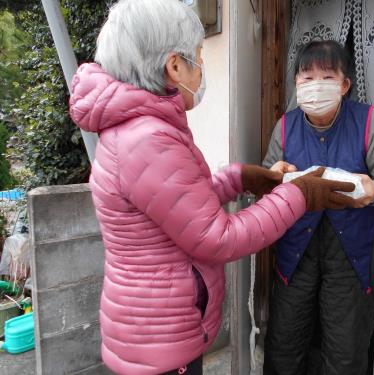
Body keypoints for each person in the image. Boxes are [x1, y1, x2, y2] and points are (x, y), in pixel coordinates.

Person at [69, 2, 357, 374]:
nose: (201, 68)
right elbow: (217, 237)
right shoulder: (147, 139)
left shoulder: (139, 129)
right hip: (160, 340)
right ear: (174, 66)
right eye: (198, 57)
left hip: (153, 329)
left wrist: (239, 179)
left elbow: (181, 206)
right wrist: (298, 194)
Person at [262, 40, 374, 375]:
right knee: (284, 342)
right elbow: (267, 180)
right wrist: (272, 177)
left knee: (345, 351)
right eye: (306, 76)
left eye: (326, 76)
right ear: (296, 83)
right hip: (296, 250)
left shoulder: (369, 122)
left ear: (344, 85)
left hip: (352, 253)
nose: (315, 85)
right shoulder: (285, 126)